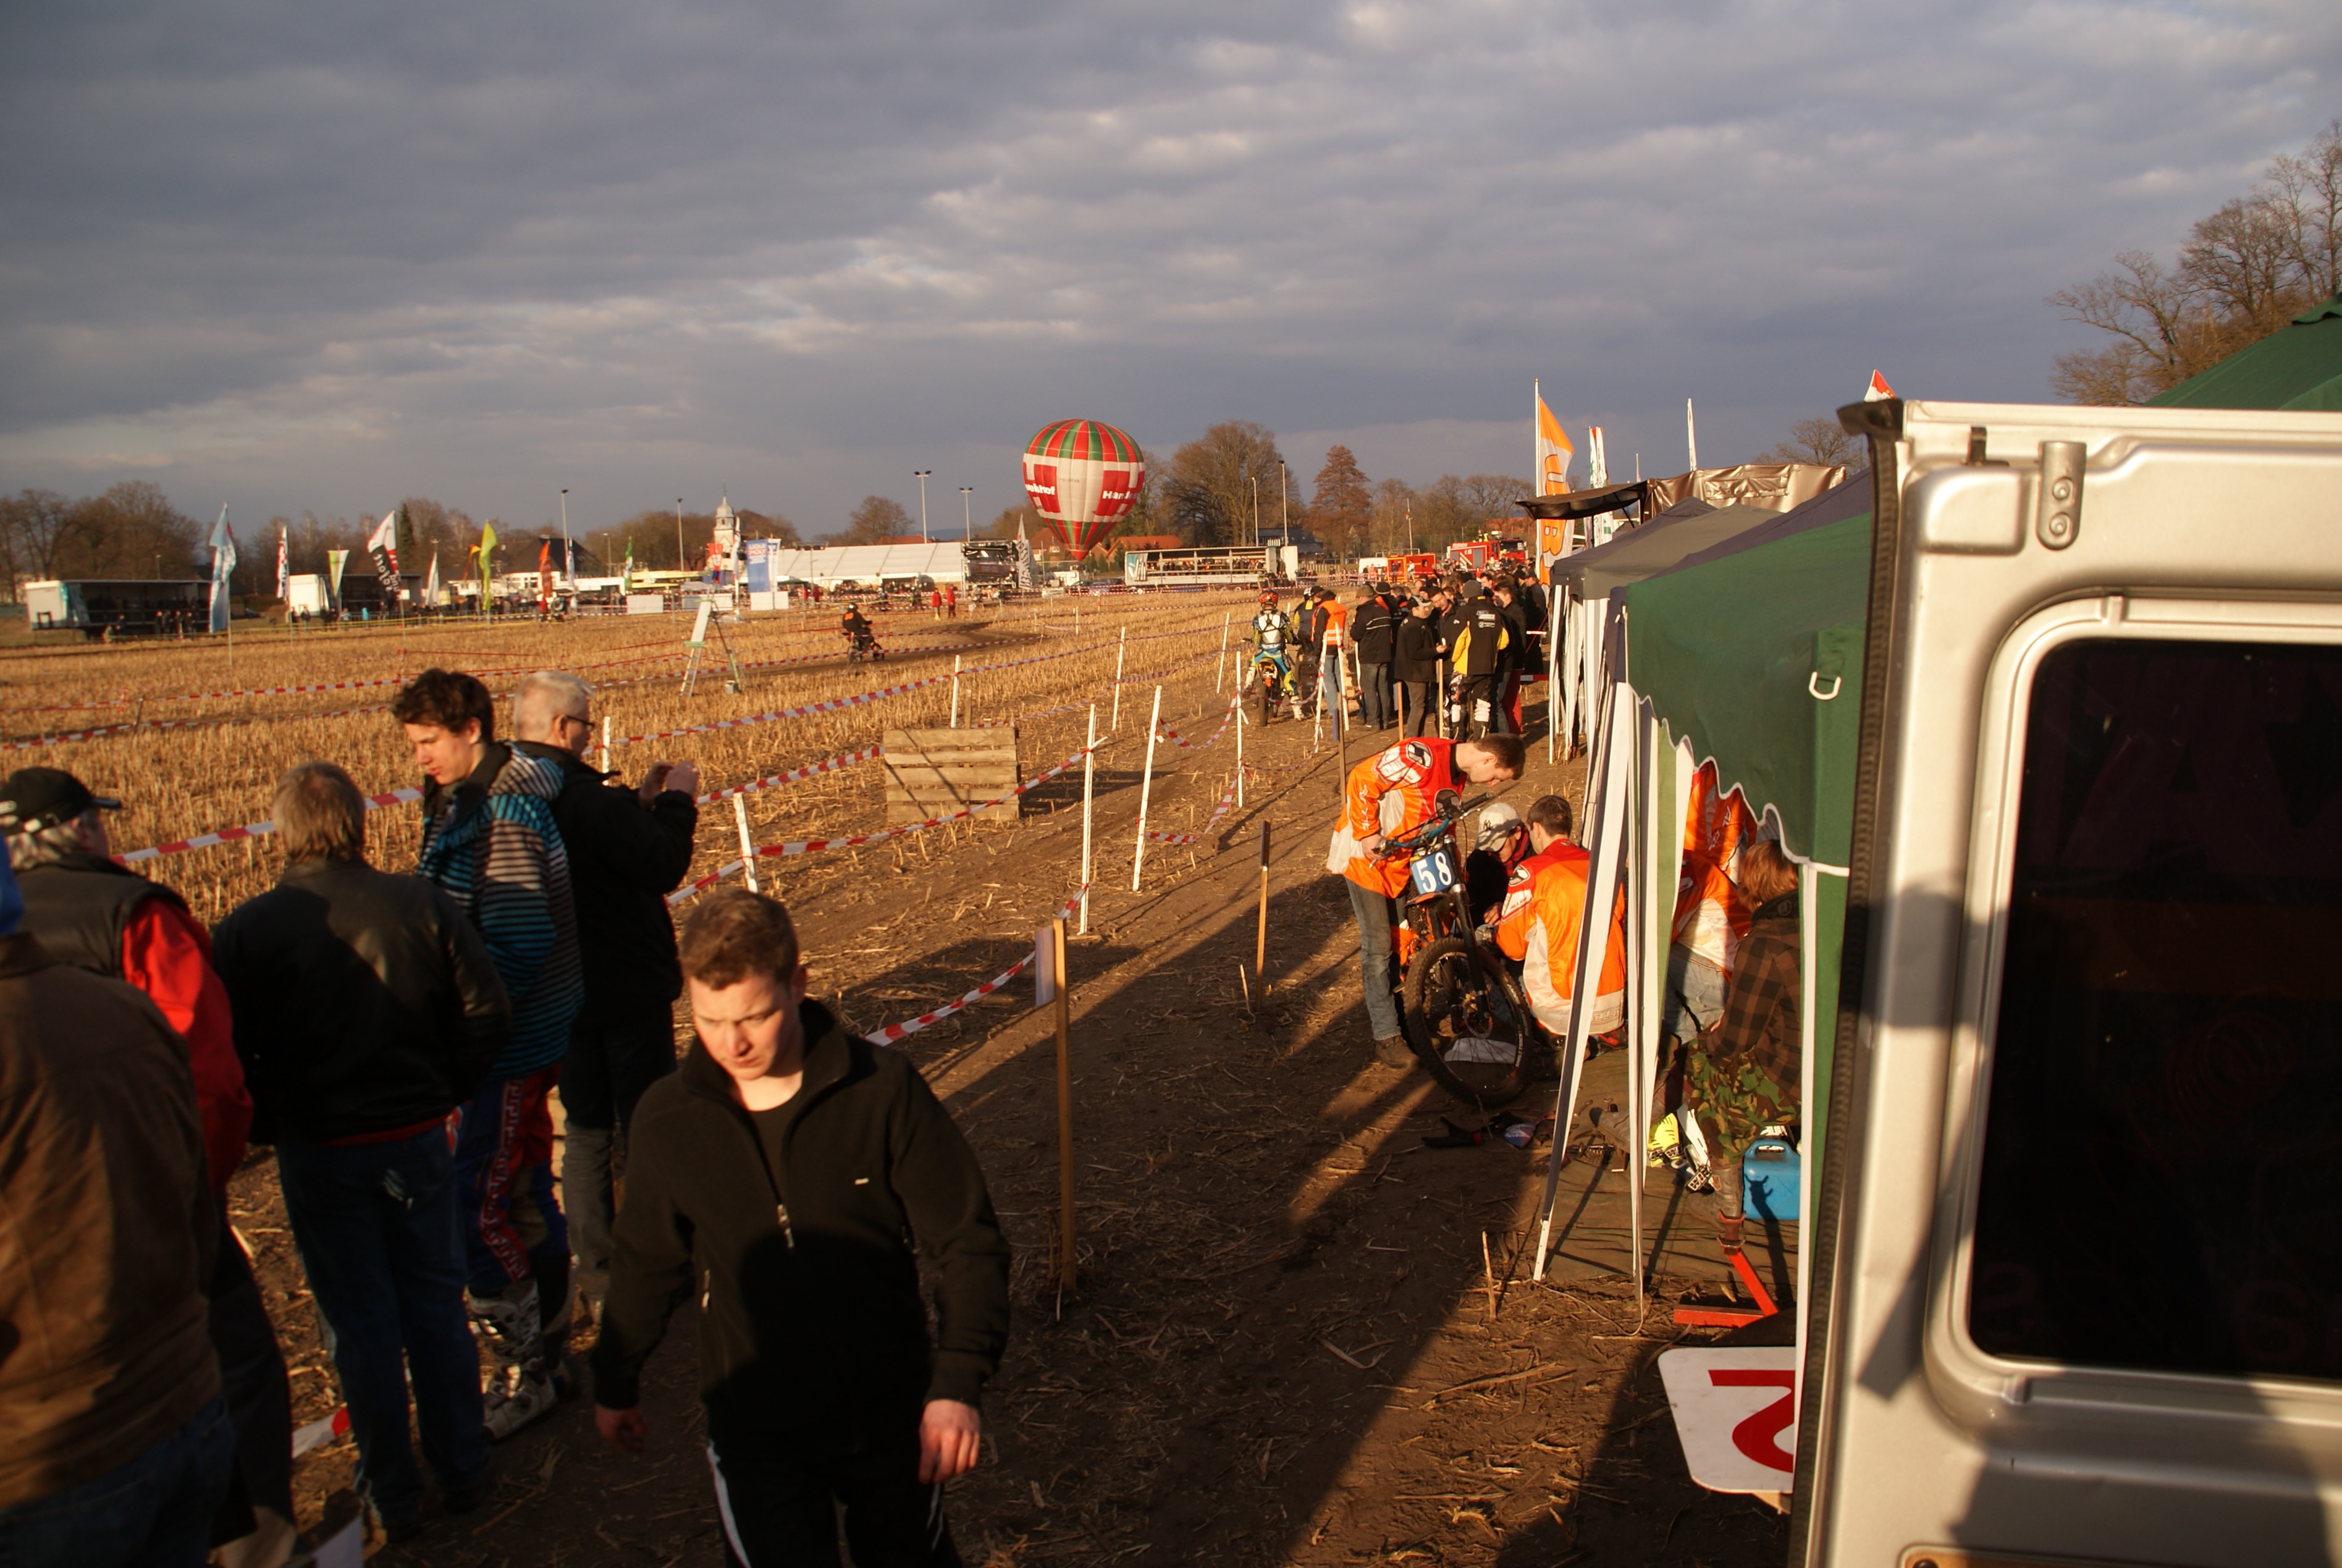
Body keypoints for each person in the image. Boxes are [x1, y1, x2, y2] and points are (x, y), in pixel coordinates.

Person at [591, 888, 1011, 1567]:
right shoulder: (668, 1120)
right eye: (708, 1020)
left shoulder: (880, 1090)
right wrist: (614, 1380)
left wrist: (957, 1383)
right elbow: (645, 1262)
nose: (733, 1043)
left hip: (889, 1413)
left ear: (798, 984)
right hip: (755, 1431)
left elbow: (968, 1243)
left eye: (754, 1017)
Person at [0, 767, 295, 1564]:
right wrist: (197, 1195)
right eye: (94, 820)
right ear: (74, 830)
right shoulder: (134, 916)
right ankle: (262, 1542)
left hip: (38, 1402)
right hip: (152, 1274)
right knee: (244, 1373)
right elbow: (213, 1085)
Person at [213, 762, 510, 1543]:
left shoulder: (247, 930)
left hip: (319, 1154)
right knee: (435, 1307)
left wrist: (272, 1121)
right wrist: (446, 1090)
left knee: (359, 1326)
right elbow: (486, 1010)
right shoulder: (420, 903)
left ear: (283, 831)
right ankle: (462, 1465)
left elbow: (223, 1054)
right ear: (358, 821)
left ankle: (391, 1492)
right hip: (414, 1139)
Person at [394, 667, 584, 1439]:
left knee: (476, 1210)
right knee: (526, 1192)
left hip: (503, 1048)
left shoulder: (503, 813)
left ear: (470, 731)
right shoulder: (461, 800)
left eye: (428, 742)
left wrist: (464, 1036)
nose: (419, 757)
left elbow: (519, 938)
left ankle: (525, 1371)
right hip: (505, 1041)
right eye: (412, 744)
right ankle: (554, 1351)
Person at [508, 672, 699, 1313]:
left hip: (555, 996)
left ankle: (597, 1274)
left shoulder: (503, 797)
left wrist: (635, 805)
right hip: (623, 989)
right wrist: (676, 803)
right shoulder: (583, 798)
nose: (588, 737)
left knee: (586, 1132)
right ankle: (660, 1264)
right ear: (563, 728)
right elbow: (661, 863)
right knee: (648, 1124)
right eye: (585, 726)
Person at [1331, 733, 1527, 1068]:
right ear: (1488, 759)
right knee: (1379, 946)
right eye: (1497, 776)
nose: (1493, 784)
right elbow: (1362, 778)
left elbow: (1439, 824)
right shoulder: (1420, 756)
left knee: (1403, 942)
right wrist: (1367, 833)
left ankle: (1407, 1025)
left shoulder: (1457, 776)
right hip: (1367, 860)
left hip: (1400, 864)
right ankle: (1386, 1037)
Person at [1684, 837, 1802, 1258]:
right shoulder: (1821, 925)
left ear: (1753, 884)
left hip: (1792, 1079)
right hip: (1836, 1065)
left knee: (1705, 1076)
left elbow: (1736, 1040)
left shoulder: (1764, 943)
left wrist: (1708, 1040)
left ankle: (1729, 1213)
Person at [1493, 794, 1627, 1060]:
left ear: (1537, 829)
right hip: (1614, 1001)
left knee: (1506, 982)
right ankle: (1606, 1032)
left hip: (1563, 1005)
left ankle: (1557, 1036)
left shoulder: (1531, 871)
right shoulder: (1603, 865)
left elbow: (1512, 949)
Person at [1462, 799, 1530, 928]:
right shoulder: (1478, 861)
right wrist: (1486, 915)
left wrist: (1508, 909)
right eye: (1488, 845)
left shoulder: (1538, 855)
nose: (1493, 852)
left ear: (1517, 833)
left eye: (1498, 845)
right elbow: (1471, 909)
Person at [1393, 597, 1440, 738]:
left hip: (1415, 671)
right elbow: (1415, 652)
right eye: (1423, 608)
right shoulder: (1414, 626)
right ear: (1414, 610)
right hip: (1415, 672)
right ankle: (1412, 738)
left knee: (1421, 705)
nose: (1427, 610)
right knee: (1418, 706)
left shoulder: (1414, 623)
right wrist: (1435, 651)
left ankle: (1418, 737)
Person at [1490, 579, 1533, 736]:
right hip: (1512, 661)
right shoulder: (1509, 612)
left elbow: (1520, 639)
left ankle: (1515, 730)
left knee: (1511, 698)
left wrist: (1515, 660)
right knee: (1507, 698)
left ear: (1508, 596)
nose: (1495, 600)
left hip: (1514, 662)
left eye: (1498, 597)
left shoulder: (1514, 613)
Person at [1352, 586, 1396, 730]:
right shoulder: (1384, 611)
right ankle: (1385, 720)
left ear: (1361, 598)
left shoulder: (1364, 613)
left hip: (1369, 656)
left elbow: (1356, 634)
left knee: (1369, 689)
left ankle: (1373, 721)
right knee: (1383, 688)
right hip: (1385, 655)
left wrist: (1353, 627)